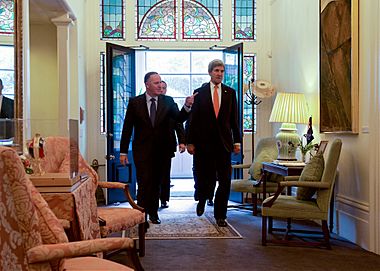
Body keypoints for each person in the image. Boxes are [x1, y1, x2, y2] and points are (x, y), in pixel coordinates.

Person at [119, 72, 195, 224]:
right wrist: (123, 151)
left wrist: (187, 106)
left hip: (163, 150)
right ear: (147, 84)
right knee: (144, 182)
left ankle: (153, 214)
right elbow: (127, 128)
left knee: (155, 184)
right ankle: (141, 216)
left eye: (161, 82)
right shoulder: (135, 102)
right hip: (142, 150)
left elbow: (179, 119)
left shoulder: (168, 101)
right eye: (156, 83)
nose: (160, 85)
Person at [186, 59, 241, 227]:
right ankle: (202, 198)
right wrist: (189, 142)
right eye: (216, 70)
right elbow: (192, 120)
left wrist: (237, 141)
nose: (219, 74)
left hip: (224, 144)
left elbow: (234, 120)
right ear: (210, 72)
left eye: (222, 71)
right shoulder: (199, 92)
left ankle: (220, 216)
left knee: (225, 181)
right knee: (206, 179)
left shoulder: (230, 93)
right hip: (204, 144)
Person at [158, 80, 186, 208]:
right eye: (160, 87)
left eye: (164, 88)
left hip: (167, 143)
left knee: (164, 173)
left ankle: (164, 199)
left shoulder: (170, 103)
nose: (162, 90)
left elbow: (178, 123)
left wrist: (182, 141)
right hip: (150, 145)